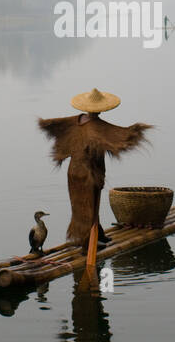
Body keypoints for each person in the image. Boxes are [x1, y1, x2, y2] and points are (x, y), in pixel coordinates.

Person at [37, 89, 151, 250]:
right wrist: (137, 130)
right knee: (88, 205)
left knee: (84, 205)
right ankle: (87, 242)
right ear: (99, 109)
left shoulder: (73, 121)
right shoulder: (98, 126)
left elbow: (51, 125)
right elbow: (122, 136)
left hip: (74, 172)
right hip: (88, 173)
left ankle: (98, 233)